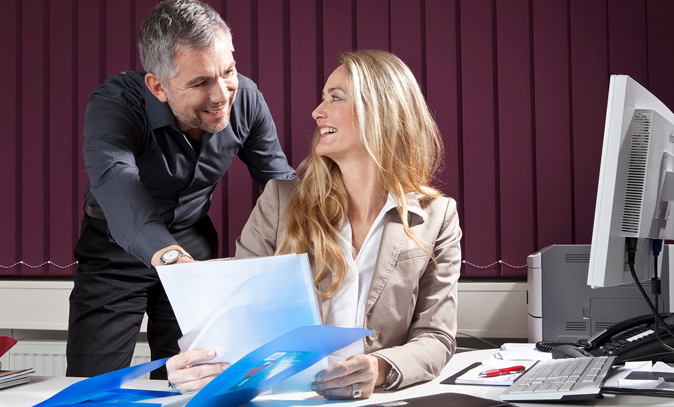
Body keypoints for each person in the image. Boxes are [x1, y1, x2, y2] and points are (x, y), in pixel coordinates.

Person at [165, 50, 462, 400]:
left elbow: (436, 337)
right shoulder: (280, 202)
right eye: (322, 98)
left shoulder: (438, 216)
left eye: (335, 98)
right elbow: (235, 323)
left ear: (380, 111)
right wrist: (193, 369)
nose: (316, 112)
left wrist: (379, 367)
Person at [66, 0, 296, 379]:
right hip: (114, 251)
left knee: (191, 383)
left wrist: (335, 225)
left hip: (193, 245)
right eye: (201, 82)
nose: (222, 95)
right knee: (95, 386)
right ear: (158, 86)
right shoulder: (115, 104)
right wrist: (171, 260)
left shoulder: (247, 100)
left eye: (228, 71)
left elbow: (280, 184)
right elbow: (117, 182)